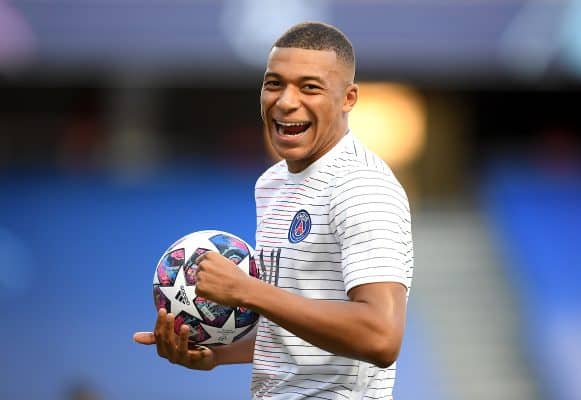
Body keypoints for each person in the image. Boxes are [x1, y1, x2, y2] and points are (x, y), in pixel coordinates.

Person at [134, 21, 414, 399]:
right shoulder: (273, 184)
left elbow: (381, 336)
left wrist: (247, 290)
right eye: (274, 83)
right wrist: (216, 354)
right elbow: (297, 332)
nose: (285, 101)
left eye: (309, 87)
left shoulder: (361, 186)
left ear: (348, 98)